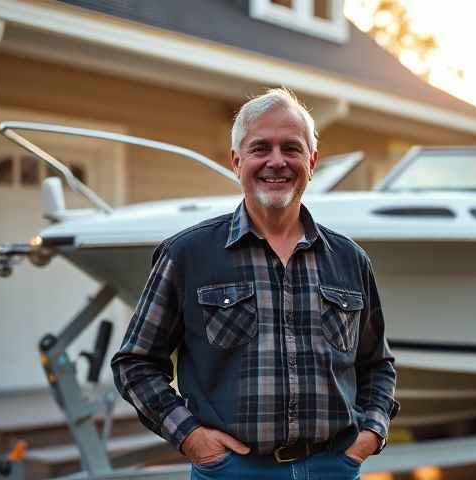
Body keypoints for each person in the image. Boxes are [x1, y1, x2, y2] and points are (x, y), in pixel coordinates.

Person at [111, 88, 398, 479]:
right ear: (236, 161)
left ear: (311, 162)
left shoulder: (350, 261)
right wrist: (193, 439)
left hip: (334, 468)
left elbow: (377, 365)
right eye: (261, 148)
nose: (276, 161)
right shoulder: (187, 255)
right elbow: (136, 363)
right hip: (234, 472)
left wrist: (370, 435)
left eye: (291, 149)